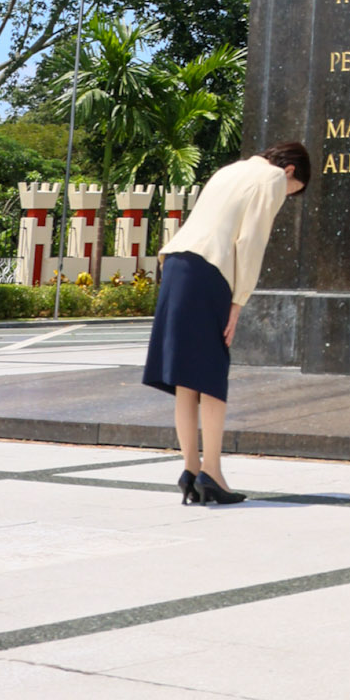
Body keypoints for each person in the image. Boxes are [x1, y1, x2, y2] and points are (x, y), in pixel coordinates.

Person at [143, 141, 308, 506]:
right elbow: (250, 241)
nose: (288, 196)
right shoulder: (272, 179)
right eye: (294, 192)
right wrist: (239, 301)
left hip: (176, 264)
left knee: (187, 378)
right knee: (212, 375)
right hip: (210, 271)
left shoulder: (228, 171)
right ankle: (212, 472)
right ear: (292, 171)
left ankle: (190, 469)